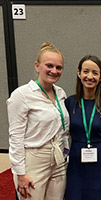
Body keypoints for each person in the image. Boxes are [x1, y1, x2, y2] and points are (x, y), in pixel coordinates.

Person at [6, 42, 70, 200]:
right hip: (34, 160)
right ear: (37, 66)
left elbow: (63, 129)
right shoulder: (21, 95)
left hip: (59, 159)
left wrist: (66, 152)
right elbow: (15, 137)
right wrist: (20, 173)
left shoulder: (60, 93)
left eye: (58, 67)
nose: (54, 71)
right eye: (49, 65)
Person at [64, 55, 101, 200]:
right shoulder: (70, 103)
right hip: (76, 165)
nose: (90, 76)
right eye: (86, 71)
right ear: (79, 73)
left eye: (95, 73)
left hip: (100, 165)